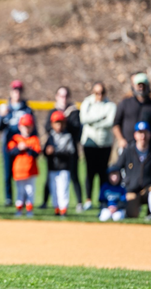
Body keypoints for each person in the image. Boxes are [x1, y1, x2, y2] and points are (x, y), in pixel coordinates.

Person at [40, 86, 84, 212]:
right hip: (53, 151)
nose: (63, 98)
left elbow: (76, 129)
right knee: (50, 178)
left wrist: (63, 122)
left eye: (65, 96)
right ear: (56, 97)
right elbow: (48, 126)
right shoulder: (53, 111)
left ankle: (79, 202)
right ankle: (45, 202)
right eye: (60, 95)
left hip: (69, 151)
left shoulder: (73, 111)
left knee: (74, 176)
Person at [112, 121, 151, 218]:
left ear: (149, 135)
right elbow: (117, 168)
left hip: (147, 190)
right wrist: (122, 189)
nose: (142, 136)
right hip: (131, 191)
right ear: (135, 135)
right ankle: (134, 208)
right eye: (140, 133)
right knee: (132, 215)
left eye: (145, 133)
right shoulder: (128, 151)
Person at [0, 79, 34, 207]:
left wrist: (31, 144)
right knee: (7, 173)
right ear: (11, 92)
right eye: (14, 90)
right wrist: (1, 116)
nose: (17, 93)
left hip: (23, 145)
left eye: (19, 90)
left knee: (23, 173)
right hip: (8, 144)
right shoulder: (6, 108)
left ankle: (22, 199)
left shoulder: (26, 109)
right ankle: (8, 198)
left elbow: (34, 128)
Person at [79, 82, 117, 211]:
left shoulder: (110, 105)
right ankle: (88, 199)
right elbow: (84, 119)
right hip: (89, 143)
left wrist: (93, 122)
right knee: (90, 172)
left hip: (105, 143)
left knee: (102, 172)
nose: (99, 96)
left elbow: (110, 122)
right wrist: (101, 117)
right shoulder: (87, 103)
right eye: (96, 93)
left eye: (101, 93)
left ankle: (102, 199)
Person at [113, 73, 151, 153]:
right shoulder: (125, 103)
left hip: (147, 148)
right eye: (139, 85)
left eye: (143, 85)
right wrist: (121, 139)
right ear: (134, 86)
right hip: (127, 147)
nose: (141, 88)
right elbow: (116, 124)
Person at [7, 113, 40, 217]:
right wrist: (18, 148)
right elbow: (10, 151)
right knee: (20, 191)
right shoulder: (16, 138)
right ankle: (19, 210)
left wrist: (27, 148)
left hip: (31, 171)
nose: (26, 128)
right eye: (24, 126)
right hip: (19, 170)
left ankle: (29, 210)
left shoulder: (34, 139)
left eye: (28, 126)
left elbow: (37, 153)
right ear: (20, 126)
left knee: (30, 191)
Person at [43, 110, 75, 217]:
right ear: (52, 124)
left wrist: (55, 151)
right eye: (56, 123)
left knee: (63, 189)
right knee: (54, 189)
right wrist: (46, 151)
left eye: (61, 123)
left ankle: (63, 210)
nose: (59, 125)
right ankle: (56, 209)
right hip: (52, 168)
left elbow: (70, 152)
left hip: (63, 168)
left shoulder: (67, 136)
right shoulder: (50, 136)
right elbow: (45, 151)